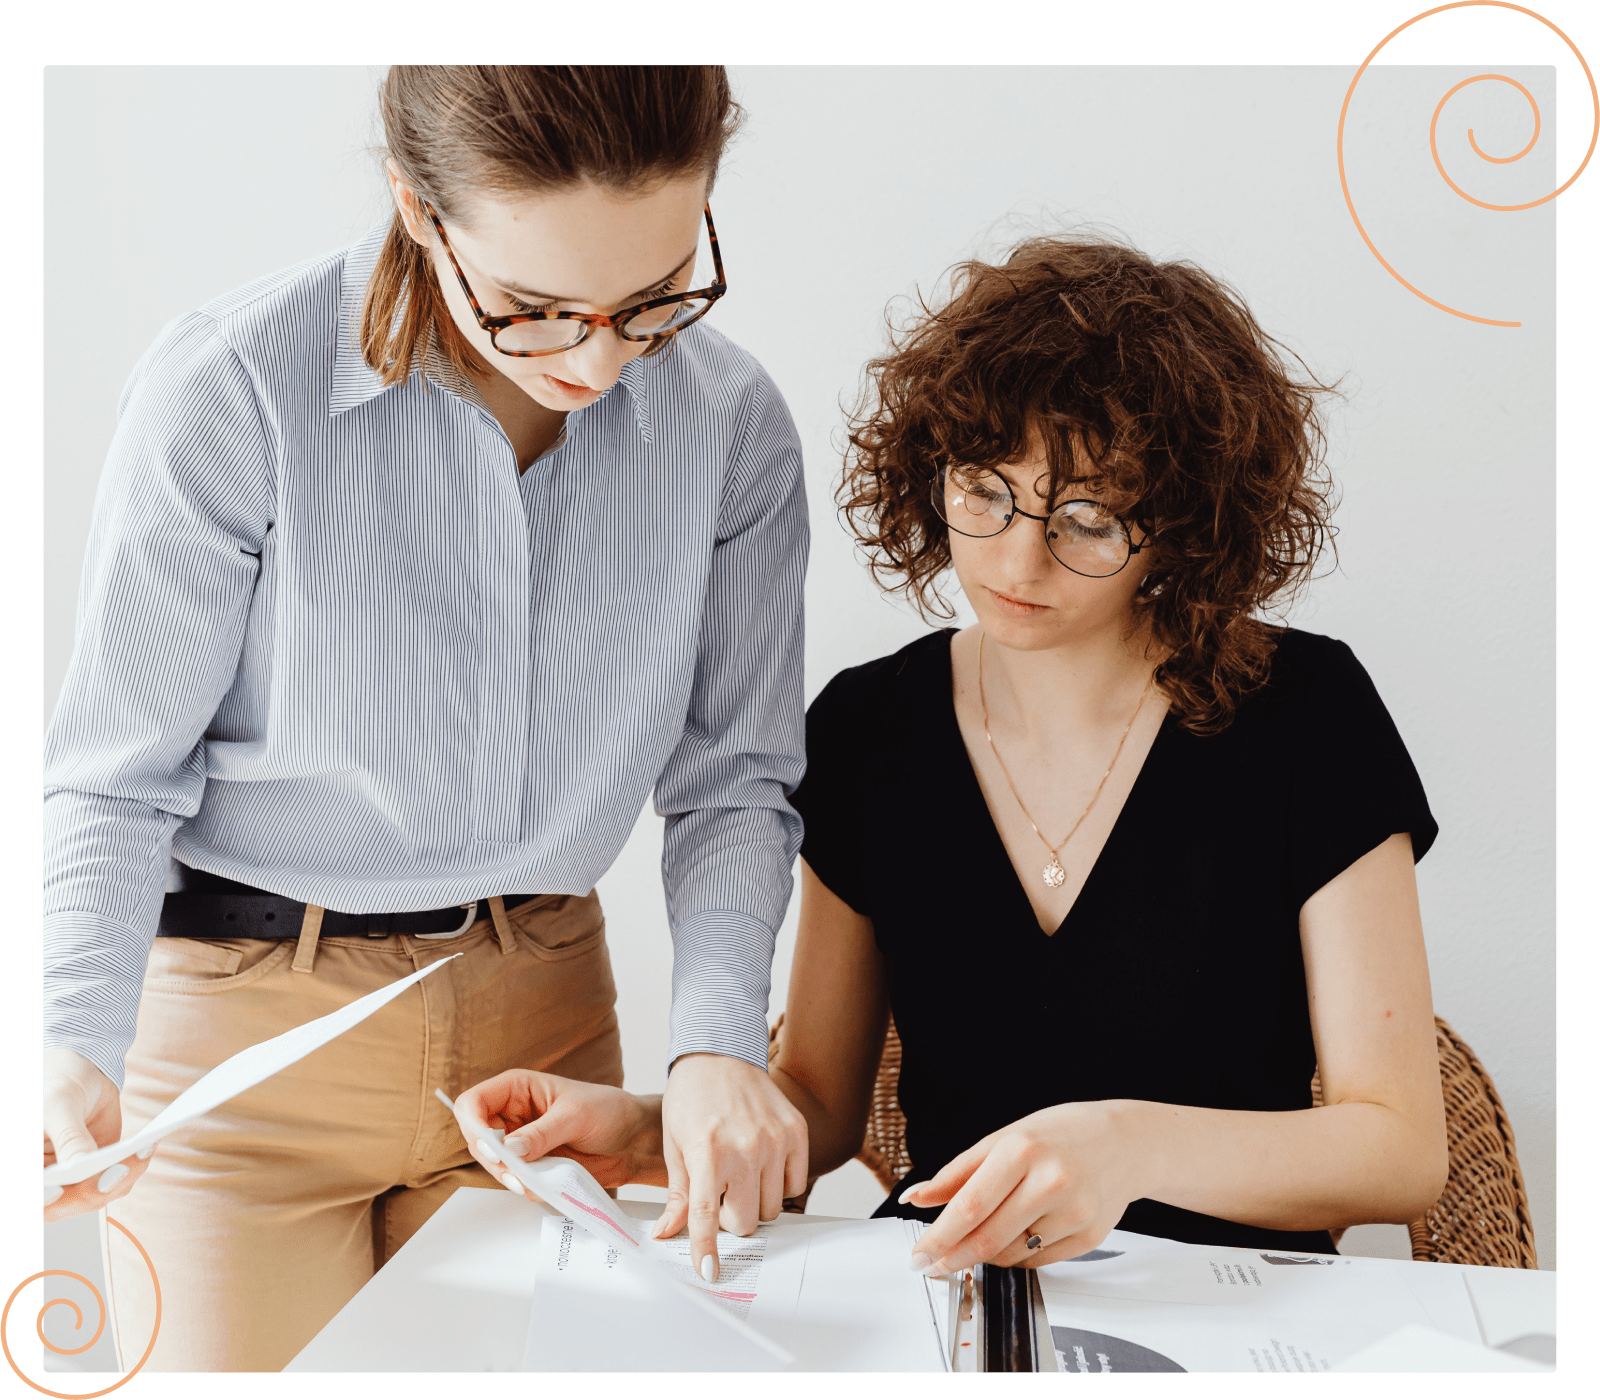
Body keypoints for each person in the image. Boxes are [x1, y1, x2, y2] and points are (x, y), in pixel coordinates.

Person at [470, 232, 1448, 1276]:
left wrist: (1123, 1145)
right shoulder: (870, 729)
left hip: (1234, 1302)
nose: (1018, 557)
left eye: (1087, 516)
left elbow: (1396, 1148)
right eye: (982, 490)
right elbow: (819, 1109)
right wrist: (641, 1126)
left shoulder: (1303, 714)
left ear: (1183, 524)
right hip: (953, 1295)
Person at [42, 65, 807, 1372]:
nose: (598, 358)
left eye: (654, 299)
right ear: (418, 208)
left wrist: (714, 1046)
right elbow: (119, 776)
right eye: (533, 308)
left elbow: (732, 783)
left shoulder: (730, 426)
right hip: (237, 1058)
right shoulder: (233, 388)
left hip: (546, 1045)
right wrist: (68, 1035)